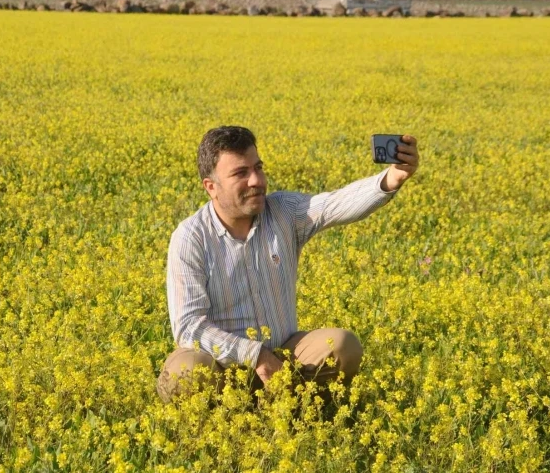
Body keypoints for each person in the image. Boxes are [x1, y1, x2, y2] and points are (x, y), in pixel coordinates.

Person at [157, 126, 419, 403]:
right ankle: (218, 425)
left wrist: (390, 179)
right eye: (240, 173)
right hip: (221, 365)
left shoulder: (283, 212)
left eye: (258, 167)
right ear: (211, 187)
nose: (257, 180)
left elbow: (334, 205)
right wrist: (254, 354)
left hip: (284, 358)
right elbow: (188, 327)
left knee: (343, 346)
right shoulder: (190, 237)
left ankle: (298, 412)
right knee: (183, 371)